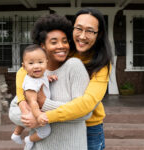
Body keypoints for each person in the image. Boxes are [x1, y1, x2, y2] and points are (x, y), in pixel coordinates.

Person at [22, 8, 113, 150]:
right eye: (79, 29)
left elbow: (86, 105)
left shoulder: (101, 64)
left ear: (99, 34)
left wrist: (43, 113)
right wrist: (24, 104)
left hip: (89, 128)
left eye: (90, 31)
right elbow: (28, 69)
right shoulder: (63, 49)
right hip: (58, 126)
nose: (82, 36)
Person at [9, 14, 91, 150]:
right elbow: (13, 111)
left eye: (65, 41)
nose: (62, 46)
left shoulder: (74, 66)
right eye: (54, 42)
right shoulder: (35, 72)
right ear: (42, 46)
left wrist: (45, 105)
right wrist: (35, 118)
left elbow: (85, 112)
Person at [10, 44, 51, 150]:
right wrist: (38, 116)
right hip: (34, 109)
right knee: (46, 131)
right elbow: (33, 102)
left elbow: (43, 78)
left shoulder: (41, 74)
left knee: (25, 120)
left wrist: (50, 77)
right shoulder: (31, 84)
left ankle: (16, 134)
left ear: (47, 62)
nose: (36, 66)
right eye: (31, 63)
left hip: (37, 107)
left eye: (40, 62)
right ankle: (29, 140)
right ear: (24, 67)